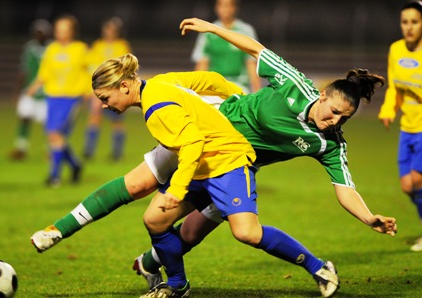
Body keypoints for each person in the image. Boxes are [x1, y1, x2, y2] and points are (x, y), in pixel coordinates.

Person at [30, 19, 397, 298]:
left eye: (342, 119)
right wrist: (213, 32)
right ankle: (75, 237)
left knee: (204, 231)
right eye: (332, 110)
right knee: (144, 196)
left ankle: (156, 266)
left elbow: (345, 188)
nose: (333, 120)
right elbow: (254, 50)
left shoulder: (329, 143)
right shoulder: (295, 85)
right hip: (208, 127)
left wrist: (369, 218)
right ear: (321, 95)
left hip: (230, 160)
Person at [378, 1, 422, 252]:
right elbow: (394, 86)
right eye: (405, 22)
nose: (409, 27)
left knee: (417, 180)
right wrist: (387, 111)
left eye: (414, 22)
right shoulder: (396, 50)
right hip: (407, 127)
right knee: (407, 186)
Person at [27, 14, 89, 187]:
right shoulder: (52, 49)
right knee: (54, 137)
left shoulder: (81, 49)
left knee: (56, 135)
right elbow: (44, 72)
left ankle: (54, 176)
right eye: (58, 29)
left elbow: (89, 72)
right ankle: (75, 165)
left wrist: (88, 93)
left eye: (65, 30)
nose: (60, 33)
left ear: (73, 32)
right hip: (53, 97)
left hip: (72, 98)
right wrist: (33, 87)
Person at [83, 17, 132, 161]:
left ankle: (117, 152)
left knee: (117, 120)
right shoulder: (98, 46)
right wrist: (89, 89)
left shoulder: (122, 46)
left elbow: (126, 68)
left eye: (112, 30)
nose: (109, 32)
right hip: (100, 89)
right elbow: (91, 68)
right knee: (94, 116)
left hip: (116, 90)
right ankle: (89, 150)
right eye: (107, 29)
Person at [191, 0, 261, 93]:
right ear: (216, 8)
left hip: (239, 85)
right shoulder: (208, 31)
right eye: (222, 6)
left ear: (234, 8)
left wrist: (257, 93)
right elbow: (202, 64)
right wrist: (195, 92)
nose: (225, 9)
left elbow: (251, 64)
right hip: (214, 86)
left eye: (228, 5)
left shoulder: (245, 31)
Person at [9, 19, 52, 160]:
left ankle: (49, 149)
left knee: (49, 123)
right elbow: (24, 70)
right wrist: (18, 90)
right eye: (38, 32)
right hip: (29, 91)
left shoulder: (52, 48)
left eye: (42, 32)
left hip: (47, 92)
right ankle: (21, 147)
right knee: (24, 118)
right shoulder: (29, 47)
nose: (40, 35)